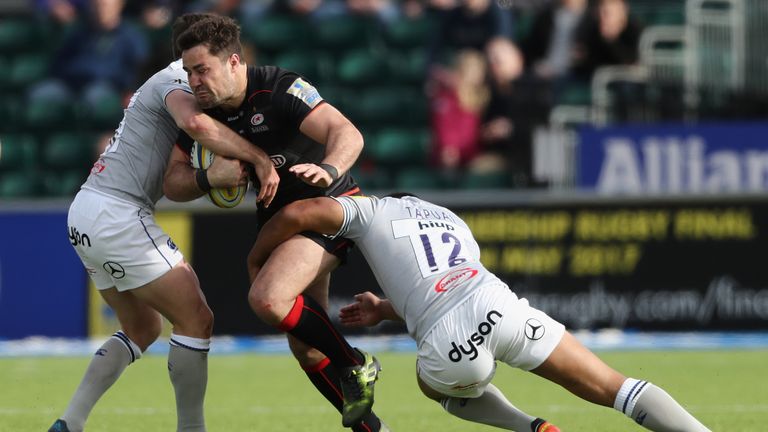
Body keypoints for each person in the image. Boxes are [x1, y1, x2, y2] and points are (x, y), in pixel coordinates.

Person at [247, 193, 713, 432]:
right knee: (614, 386)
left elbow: (302, 212)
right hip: (497, 304)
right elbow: (445, 281)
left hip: (452, 340)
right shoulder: (452, 218)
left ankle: (529, 427)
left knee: (434, 389)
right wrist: (387, 309)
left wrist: (258, 255)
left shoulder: (372, 212)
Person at [48, 13, 280, 432]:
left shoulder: (166, 82)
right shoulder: (175, 80)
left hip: (86, 211)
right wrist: (258, 158)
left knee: (141, 327)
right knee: (197, 319)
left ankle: (70, 422)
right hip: (117, 212)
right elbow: (194, 124)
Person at [165, 14, 385, 431]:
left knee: (268, 298)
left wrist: (329, 167)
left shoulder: (279, 87)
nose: (194, 82)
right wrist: (208, 177)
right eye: (189, 72)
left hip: (327, 207)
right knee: (307, 349)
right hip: (281, 224)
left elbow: (346, 131)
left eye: (202, 70)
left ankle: (354, 361)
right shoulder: (204, 116)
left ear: (233, 62)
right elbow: (172, 184)